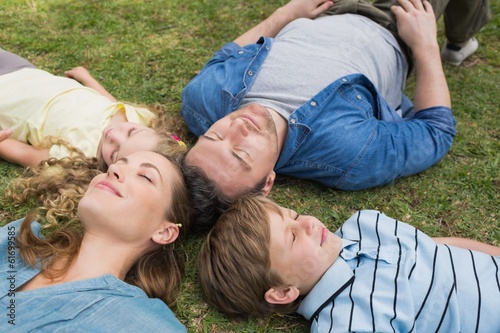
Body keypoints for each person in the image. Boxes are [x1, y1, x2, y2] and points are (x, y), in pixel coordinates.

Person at [180, 0, 490, 231]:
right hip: (394, 20)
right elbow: (436, 130)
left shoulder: (201, 103)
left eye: (214, 135)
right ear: (266, 184)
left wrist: (286, 14)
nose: (237, 127)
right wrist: (425, 44)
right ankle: (459, 42)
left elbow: (226, 56)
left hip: (324, 8)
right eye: (240, 153)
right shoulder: (347, 154)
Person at [198, 194, 500, 332]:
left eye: (293, 216)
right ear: (282, 292)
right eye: (291, 238)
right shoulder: (347, 320)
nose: (307, 224)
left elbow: (433, 247)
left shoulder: (364, 225)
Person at [0, 150, 192, 331]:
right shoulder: (16, 241)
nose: (113, 169)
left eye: (145, 176)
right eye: (117, 163)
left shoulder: (140, 323)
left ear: (164, 232)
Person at [0, 48, 186, 169]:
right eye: (131, 133)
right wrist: (88, 79)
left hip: (6, 98)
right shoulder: (138, 118)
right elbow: (110, 103)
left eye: (114, 153)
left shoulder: (80, 156)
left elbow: (27, 155)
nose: (113, 135)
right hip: (28, 73)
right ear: (155, 131)